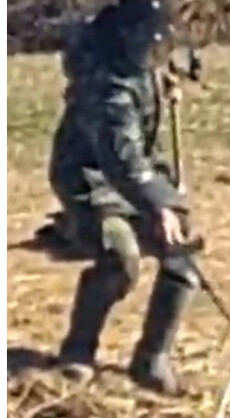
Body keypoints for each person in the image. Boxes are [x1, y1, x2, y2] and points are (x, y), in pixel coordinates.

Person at [48, 0, 198, 395]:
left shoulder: (139, 60)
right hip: (91, 181)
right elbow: (122, 160)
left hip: (138, 176)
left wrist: (165, 79)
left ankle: (152, 359)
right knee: (120, 258)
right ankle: (78, 351)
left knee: (182, 256)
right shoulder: (108, 87)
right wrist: (159, 205)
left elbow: (141, 151)